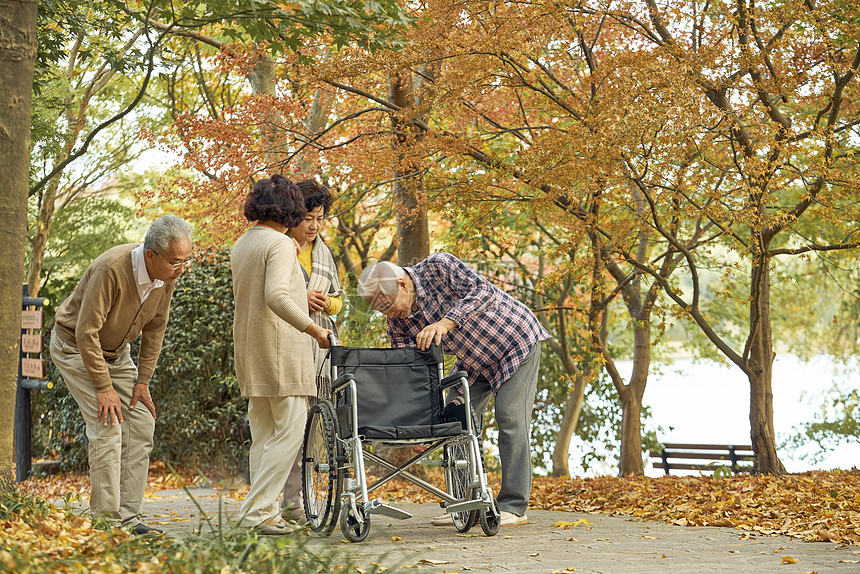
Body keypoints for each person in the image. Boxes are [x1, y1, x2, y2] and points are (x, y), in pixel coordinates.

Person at [356, 253, 550, 527]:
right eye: (381, 311)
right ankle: (464, 506)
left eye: (389, 306)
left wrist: (444, 323)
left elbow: (483, 291)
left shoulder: (438, 266)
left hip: (515, 341)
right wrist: (421, 420)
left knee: (510, 417)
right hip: (473, 360)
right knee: (454, 421)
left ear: (402, 284)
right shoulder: (397, 323)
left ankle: (514, 506)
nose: (389, 315)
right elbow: (413, 375)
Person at [50, 215, 193, 535]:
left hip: (117, 353)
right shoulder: (110, 269)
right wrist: (104, 387)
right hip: (75, 348)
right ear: (151, 255)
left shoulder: (167, 276)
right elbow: (87, 333)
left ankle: (128, 517)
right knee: (108, 422)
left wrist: (142, 382)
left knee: (142, 420)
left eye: (186, 261)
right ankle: (106, 520)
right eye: (175, 262)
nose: (181, 269)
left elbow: (156, 329)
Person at [231, 174, 332, 535]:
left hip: (249, 347)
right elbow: (277, 296)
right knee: (290, 431)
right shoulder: (280, 245)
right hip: (279, 350)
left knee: (263, 434)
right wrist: (314, 328)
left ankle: (266, 511)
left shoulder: (243, 242)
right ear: (289, 208)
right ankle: (257, 512)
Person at [286, 179, 343, 400]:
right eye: (308, 219)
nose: (314, 226)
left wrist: (326, 302)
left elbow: (337, 301)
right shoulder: (279, 247)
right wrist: (301, 297)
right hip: (290, 342)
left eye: (319, 219)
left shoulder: (324, 253)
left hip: (322, 346)